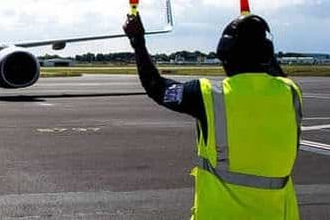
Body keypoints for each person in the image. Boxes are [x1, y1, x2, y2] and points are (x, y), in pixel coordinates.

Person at [123, 12, 302, 219]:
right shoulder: (290, 93)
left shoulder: (208, 95)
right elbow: (276, 74)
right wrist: (257, 40)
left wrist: (138, 42)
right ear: (267, 54)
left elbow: (156, 86)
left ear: (224, 54)